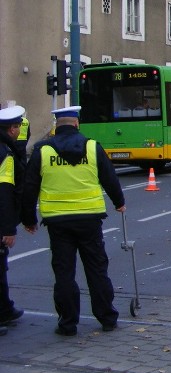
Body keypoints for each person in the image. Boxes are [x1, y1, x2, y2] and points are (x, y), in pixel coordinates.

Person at [21, 106, 125, 337]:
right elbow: (109, 178)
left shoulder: (43, 151)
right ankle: (107, 318)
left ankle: (67, 324)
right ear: (77, 124)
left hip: (58, 222)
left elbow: (29, 187)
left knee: (64, 273)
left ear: (57, 126)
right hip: (90, 219)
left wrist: (28, 219)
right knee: (97, 269)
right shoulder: (92, 147)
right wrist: (119, 202)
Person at [0, 106, 27, 336]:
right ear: (12, 129)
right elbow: (5, 192)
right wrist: (8, 228)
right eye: (18, 127)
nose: (19, 131)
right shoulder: (5, 154)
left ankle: (5, 309)